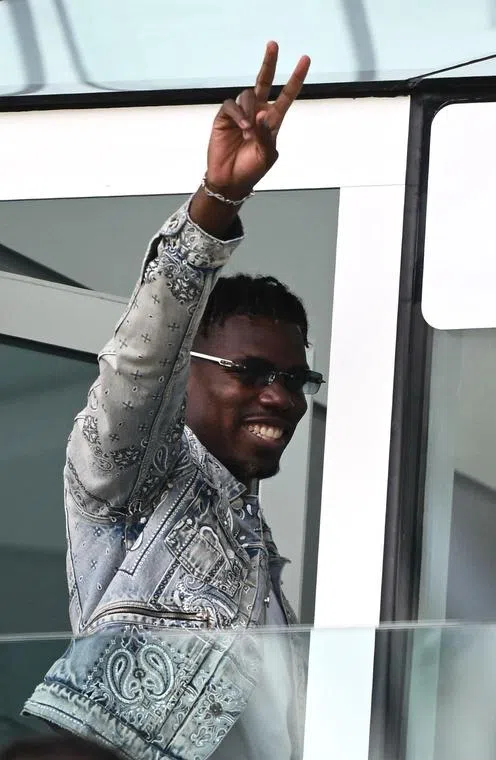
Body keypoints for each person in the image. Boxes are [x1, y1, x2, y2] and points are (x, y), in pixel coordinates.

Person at [22, 42, 318, 760]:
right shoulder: (136, 482)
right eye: (251, 371)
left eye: (294, 379)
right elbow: (139, 365)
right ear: (191, 373)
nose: (278, 396)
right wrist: (217, 204)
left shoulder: (264, 569)